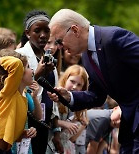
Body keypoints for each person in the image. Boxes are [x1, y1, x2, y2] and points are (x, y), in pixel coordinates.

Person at [48, 8, 139, 153]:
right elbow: (97, 96)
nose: (59, 47)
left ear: (75, 30)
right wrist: (69, 96)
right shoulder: (86, 56)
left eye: (59, 40)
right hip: (129, 131)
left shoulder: (114, 37)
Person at [16, 10, 62, 154]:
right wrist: (38, 74)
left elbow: (52, 100)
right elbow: (15, 90)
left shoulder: (49, 59)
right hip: (27, 125)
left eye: (46, 31)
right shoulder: (20, 56)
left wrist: (56, 132)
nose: (43, 35)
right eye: (37, 31)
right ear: (28, 33)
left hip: (45, 125)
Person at [51, 64, 89, 154]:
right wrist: (64, 123)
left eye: (79, 85)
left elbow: (72, 138)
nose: (75, 87)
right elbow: (46, 118)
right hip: (49, 141)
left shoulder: (78, 106)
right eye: (72, 81)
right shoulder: (54, 96)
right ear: (65, 79)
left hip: (63, 146)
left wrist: (81, 124)